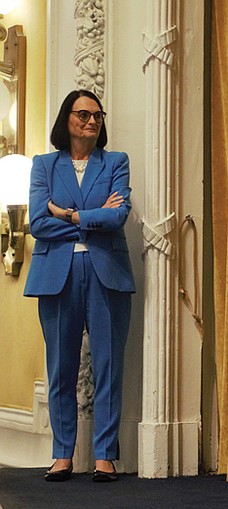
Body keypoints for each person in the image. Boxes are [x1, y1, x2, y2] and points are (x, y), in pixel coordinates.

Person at [24, 89, 135, 483]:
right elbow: (38, 223)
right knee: (61, 369)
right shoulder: (44, 165)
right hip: (57, 276)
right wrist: (91, 216)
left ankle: (105, 456)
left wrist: (68, 214)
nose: (91, 122)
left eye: (98, 116)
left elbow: (118, 215)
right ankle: (62, 455)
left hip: (108, 274)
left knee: (108, 366)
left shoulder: (115, 162)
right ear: (66, 119)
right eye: (83, 114)